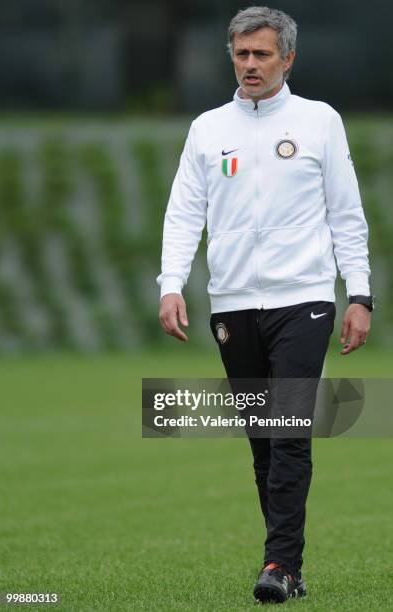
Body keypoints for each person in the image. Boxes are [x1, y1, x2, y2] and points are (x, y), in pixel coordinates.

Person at [157, 5, 373, 605]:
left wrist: (359, 293)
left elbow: (346, 214)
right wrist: (171, 283)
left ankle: (278, 563)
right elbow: (183, 214)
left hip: (304, 298)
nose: (250, 64)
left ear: (288, 58)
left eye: (262, 54)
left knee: (287, 432)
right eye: (242, 53)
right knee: (263, 441)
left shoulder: (319, 122)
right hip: (232, 305)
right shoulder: (207, 129)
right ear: (232, 55)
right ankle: (289, 566)